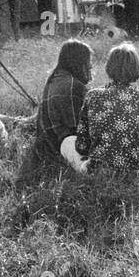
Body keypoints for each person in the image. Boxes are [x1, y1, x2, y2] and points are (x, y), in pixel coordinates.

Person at [74, 42, 139, 180]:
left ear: (109, 67)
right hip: (133, 172)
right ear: (136, 68)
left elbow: (82, 146)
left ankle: (84, 168)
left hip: (97, 171)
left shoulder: (92, 95)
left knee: (67, 141)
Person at [22, 40, 91, 179]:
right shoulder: (74, 86)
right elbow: (78, 128)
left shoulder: (55, 79)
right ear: (79, 62)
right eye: (88, 61)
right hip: (60, 146)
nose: (91, 66)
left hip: (46, 144)